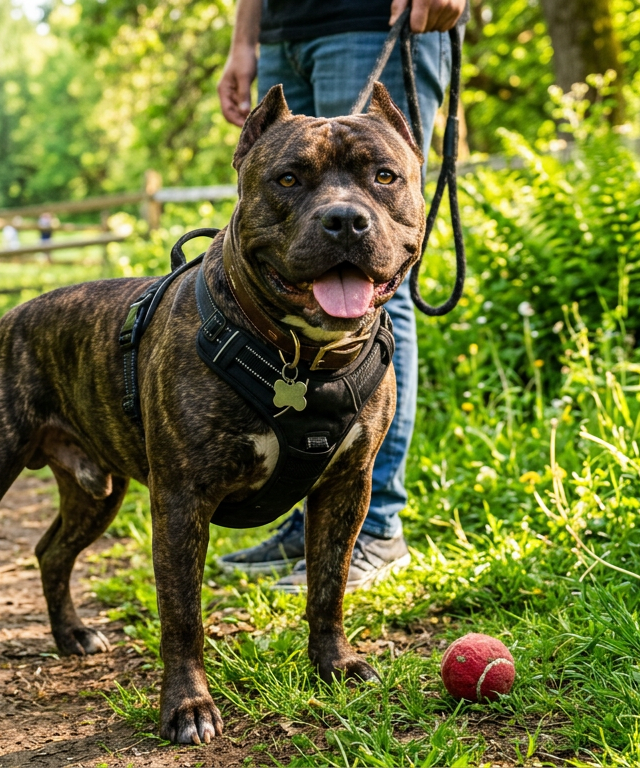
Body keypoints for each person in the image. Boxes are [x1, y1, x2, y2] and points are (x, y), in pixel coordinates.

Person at [213, 0, 465, 593]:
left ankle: (372, 528)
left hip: (375, 16)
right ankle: (310, 520)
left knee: (372, 283)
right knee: (294, 278)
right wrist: (244, 39)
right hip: (286, 25)